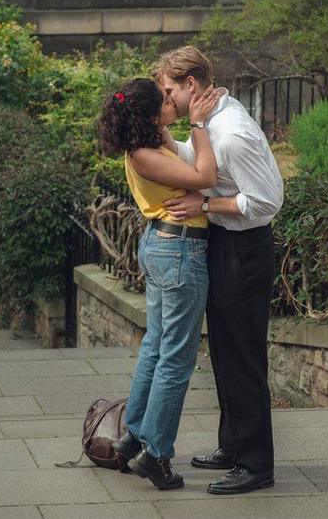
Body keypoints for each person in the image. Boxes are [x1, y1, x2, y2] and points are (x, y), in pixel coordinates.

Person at [156, 46, 284, 495]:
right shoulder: (211, 118)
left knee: (243, 358)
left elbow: (267, 200)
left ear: (191, 85)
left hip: (245, 250)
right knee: (226, 354)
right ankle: (232, 447)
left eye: (169, 91)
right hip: (226, 243)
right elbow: (196, 156)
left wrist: (205, 204)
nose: (165, 99)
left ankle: (255, 465)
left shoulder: (231, 131)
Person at [98, 77, 220, 491]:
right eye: (167, 101)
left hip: (164, 246)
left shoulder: (148, 143)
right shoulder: (145, 155)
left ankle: (134, 436)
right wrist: (199, 124)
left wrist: (168, 122)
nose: (175, 103)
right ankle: (157, 454)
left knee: (156, 346)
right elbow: (204, 175)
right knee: (177, 357)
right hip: (179, 251)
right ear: (150, 116)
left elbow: (169, 140)